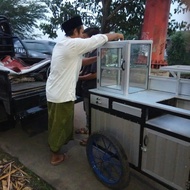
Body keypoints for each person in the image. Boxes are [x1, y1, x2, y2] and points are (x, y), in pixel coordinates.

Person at [46, 15, 124, 165]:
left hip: (55, 91)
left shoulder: (62, 43)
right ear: (76, 31)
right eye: (82, 31)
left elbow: (80, 61)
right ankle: (55, 155)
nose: (83, 35)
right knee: (59, 125)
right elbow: (97, 39)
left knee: (57, 122)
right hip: (61, 94)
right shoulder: (73, 44)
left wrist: (97, 58)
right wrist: (116, 35)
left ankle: (54, 147)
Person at [75, 27, 100, 145]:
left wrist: (78, 78)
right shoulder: (90, 51)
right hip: (86, 88)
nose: (82, 41)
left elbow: (94, 74)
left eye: (84, 38)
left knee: (91, 112)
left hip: (92, 88)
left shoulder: (96, 52)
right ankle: (87, 128)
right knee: (86, 110)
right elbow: (84, 69)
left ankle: (91, 137)